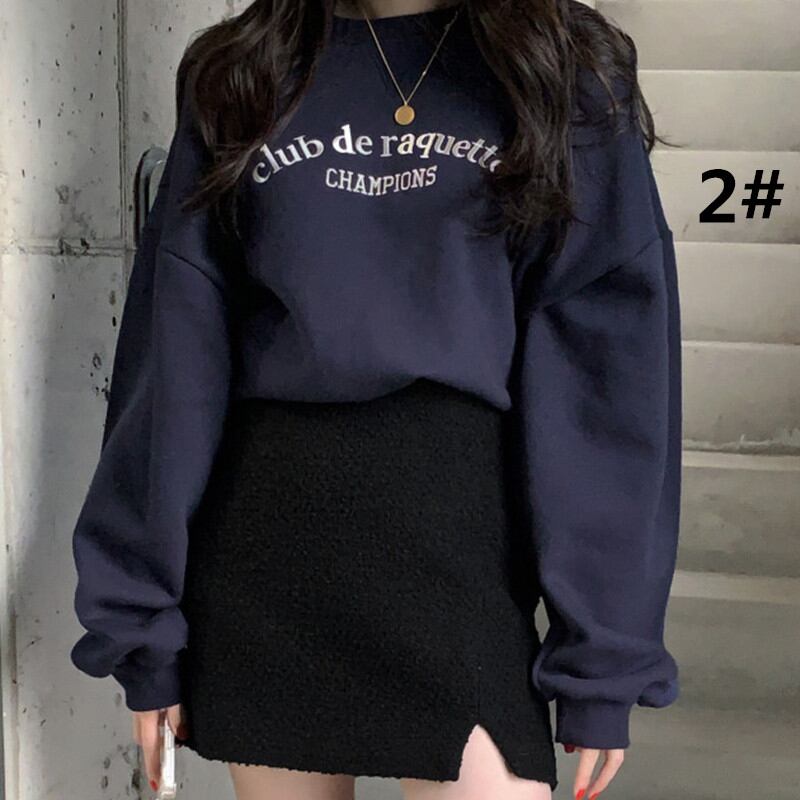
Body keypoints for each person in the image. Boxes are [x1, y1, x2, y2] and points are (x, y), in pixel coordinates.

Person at [68, 1, 682, 798]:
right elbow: (173, 360)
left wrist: (603, 655)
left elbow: (605, 375)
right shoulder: (242, 70)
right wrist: (141, 624)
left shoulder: (564, 71)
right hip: (269, 550)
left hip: (461, 552)